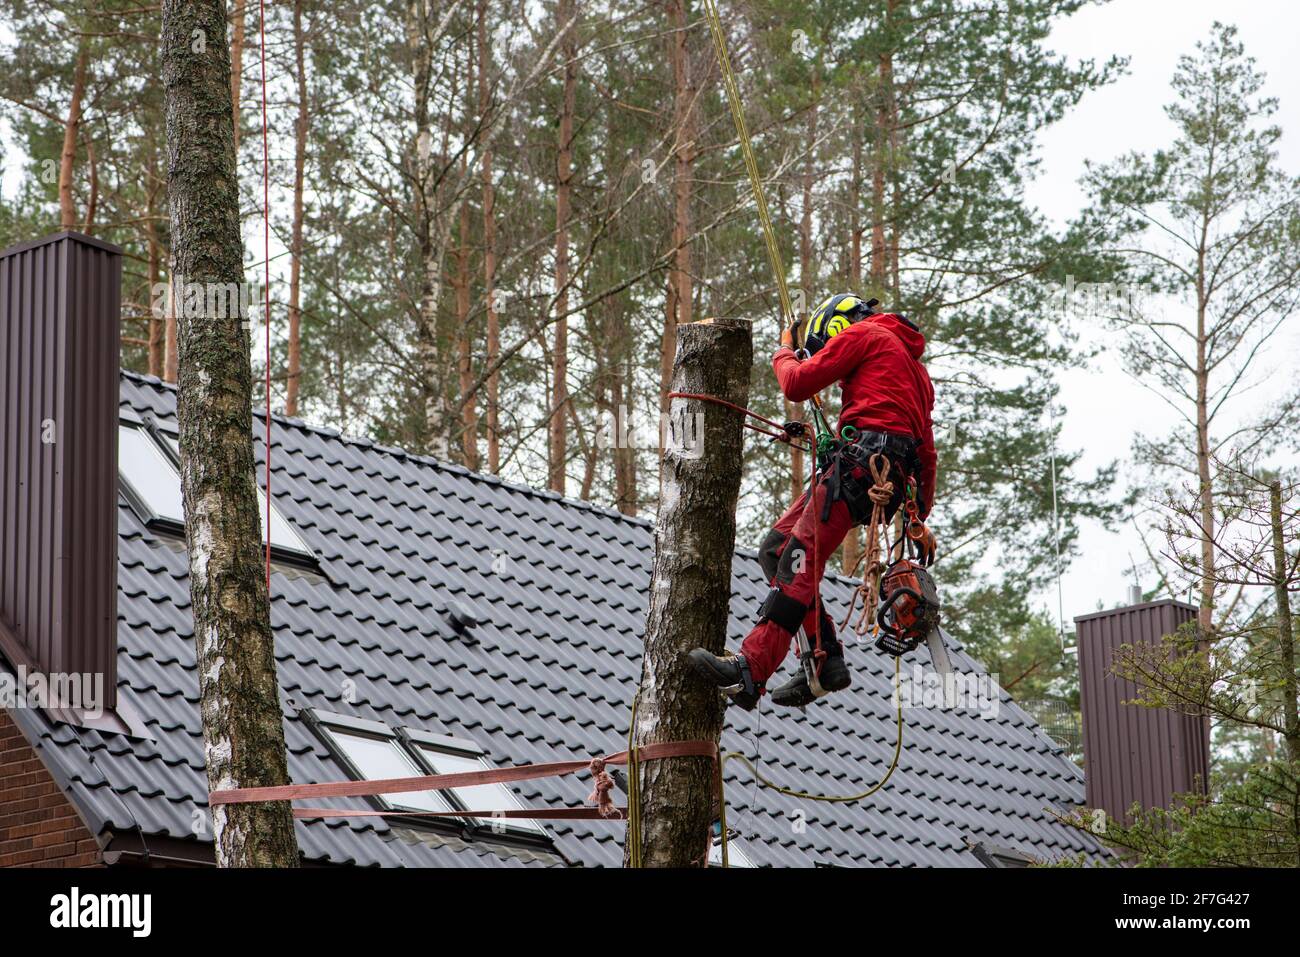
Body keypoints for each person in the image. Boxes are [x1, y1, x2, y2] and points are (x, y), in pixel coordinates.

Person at [688, 293, 938, 710]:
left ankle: (751, 668)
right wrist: (919, 514)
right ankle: (824, 660)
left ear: (838, 327)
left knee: (797, 563)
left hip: (858, 470)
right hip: (873, 471)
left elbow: (797, 382)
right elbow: (925, 451)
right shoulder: (916, 371)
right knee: (777, 548)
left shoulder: (864, 334)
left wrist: (785, 350)